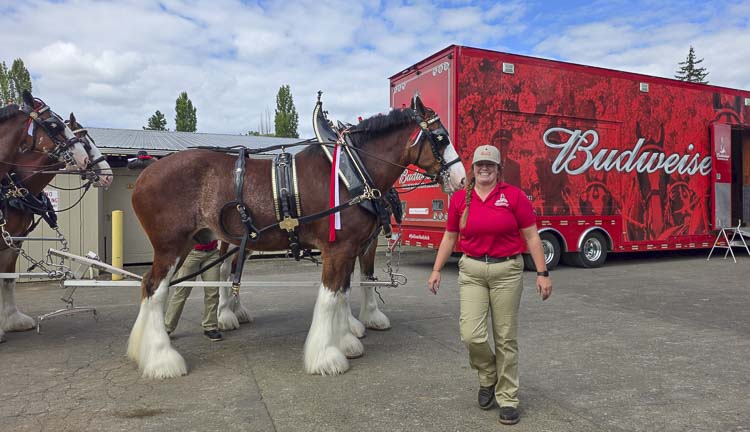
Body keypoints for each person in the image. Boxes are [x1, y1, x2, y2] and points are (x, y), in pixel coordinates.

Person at [427, 144, 552, 425]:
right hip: (471, 270)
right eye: (480, 165)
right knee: (471, 334)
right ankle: (488, 375)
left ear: (498, 170)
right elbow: (449, 238)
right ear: (473, 170)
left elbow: (532, 237)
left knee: (506, 338)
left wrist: (542, 273)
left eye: (490, 165)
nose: (485, 169)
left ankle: (507, 398)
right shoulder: (460, 200)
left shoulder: (513, 197)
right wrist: (436, 270)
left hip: (507, 271)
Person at [164, 239, 223, 341]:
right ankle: (167, 327)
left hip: (212, 254)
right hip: (191, 254)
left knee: (212, 293)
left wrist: (222, 252)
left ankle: (210, 327)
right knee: (181, 292)